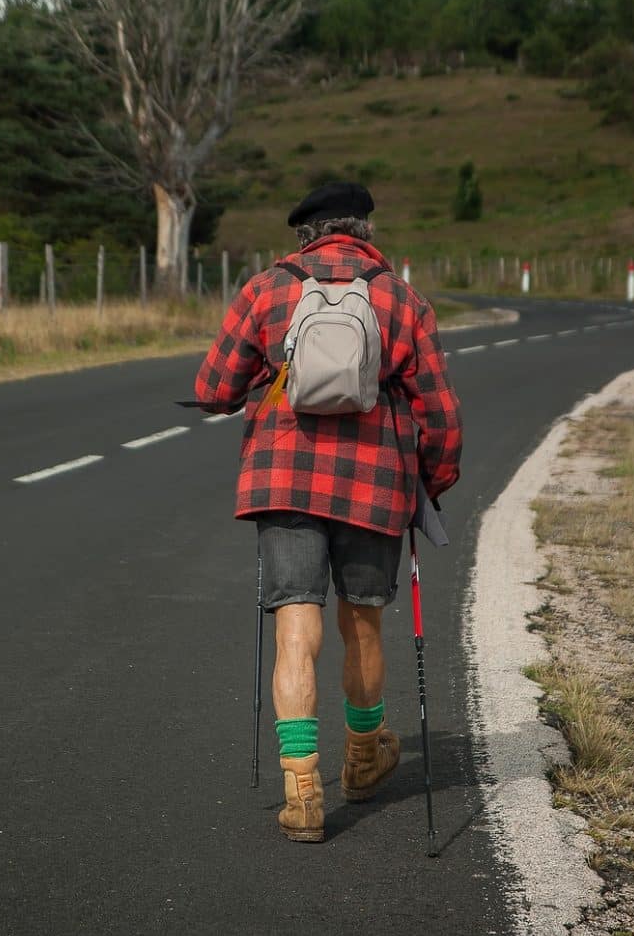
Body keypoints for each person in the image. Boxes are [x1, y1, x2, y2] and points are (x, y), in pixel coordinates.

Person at [194, 181, 462, 843]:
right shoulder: (401, 298)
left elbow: (212, 391)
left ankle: (303, 789)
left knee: (296, 625)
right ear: (364, 230)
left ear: (305, 234)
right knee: (363, 623)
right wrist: (429, 483)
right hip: (374, 482)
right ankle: (365, 757)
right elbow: (441, 416)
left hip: (283, 479)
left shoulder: (265, 289)